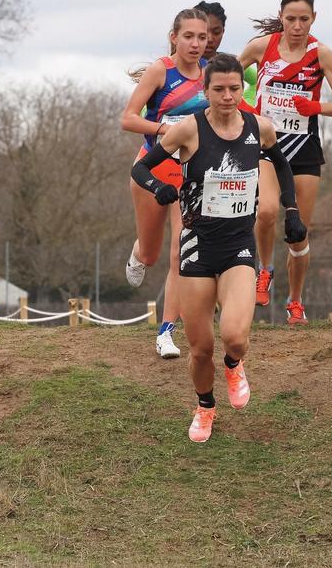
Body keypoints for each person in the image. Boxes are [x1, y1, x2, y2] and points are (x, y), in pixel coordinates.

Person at [131, 53, 307, 442]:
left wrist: (291, 211)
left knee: (235, 337)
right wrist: (159, 187)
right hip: (197, 246)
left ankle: (234, 365)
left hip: (237, 246)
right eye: (219, 90)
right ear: (206, 90)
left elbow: (282, 166)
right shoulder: (186, 131)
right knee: (199, 349)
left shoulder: (258, 127)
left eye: (233, 89)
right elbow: (140, 168)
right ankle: (205, 406)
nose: (227, 97)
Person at [238, 0, 332, 325]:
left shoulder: (322, 55)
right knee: (268, 211)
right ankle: (265, 269)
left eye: (304, 19)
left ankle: (295, 301)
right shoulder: (262, 48)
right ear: (281, 17)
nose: (297, 26)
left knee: (298, 231)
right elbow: (224, 76)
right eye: (291, 19)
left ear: (313, 18)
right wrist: (246, 109)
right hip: (265, 144)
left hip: (304, 148)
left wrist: (315, 106)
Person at [121, 8, 210, 358]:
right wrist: (164, 130)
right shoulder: (162, 71)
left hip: (189, 173)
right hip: (152, 168)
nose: (195, 43)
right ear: (174, 36)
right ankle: (138, 250)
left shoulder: (210, 74)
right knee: (152, 252)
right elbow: (127, 119)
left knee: (180, 251)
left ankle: (166, 331)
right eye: (188, 36)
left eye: (202, 38)